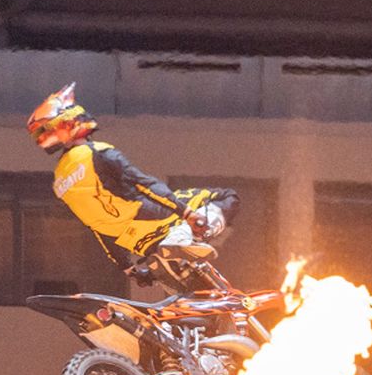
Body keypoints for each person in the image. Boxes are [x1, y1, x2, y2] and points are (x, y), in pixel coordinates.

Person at [27, 83, 237, 277]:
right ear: (70, 121)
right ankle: (183, 239)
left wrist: (127, 267)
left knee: (186, 283)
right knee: (225, 196)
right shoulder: (97, 153)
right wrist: (187, 213)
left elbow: (95, 226)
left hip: (140, 244)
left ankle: (175, 274)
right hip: (156, 219)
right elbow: (144, 185)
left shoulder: (60, 182)